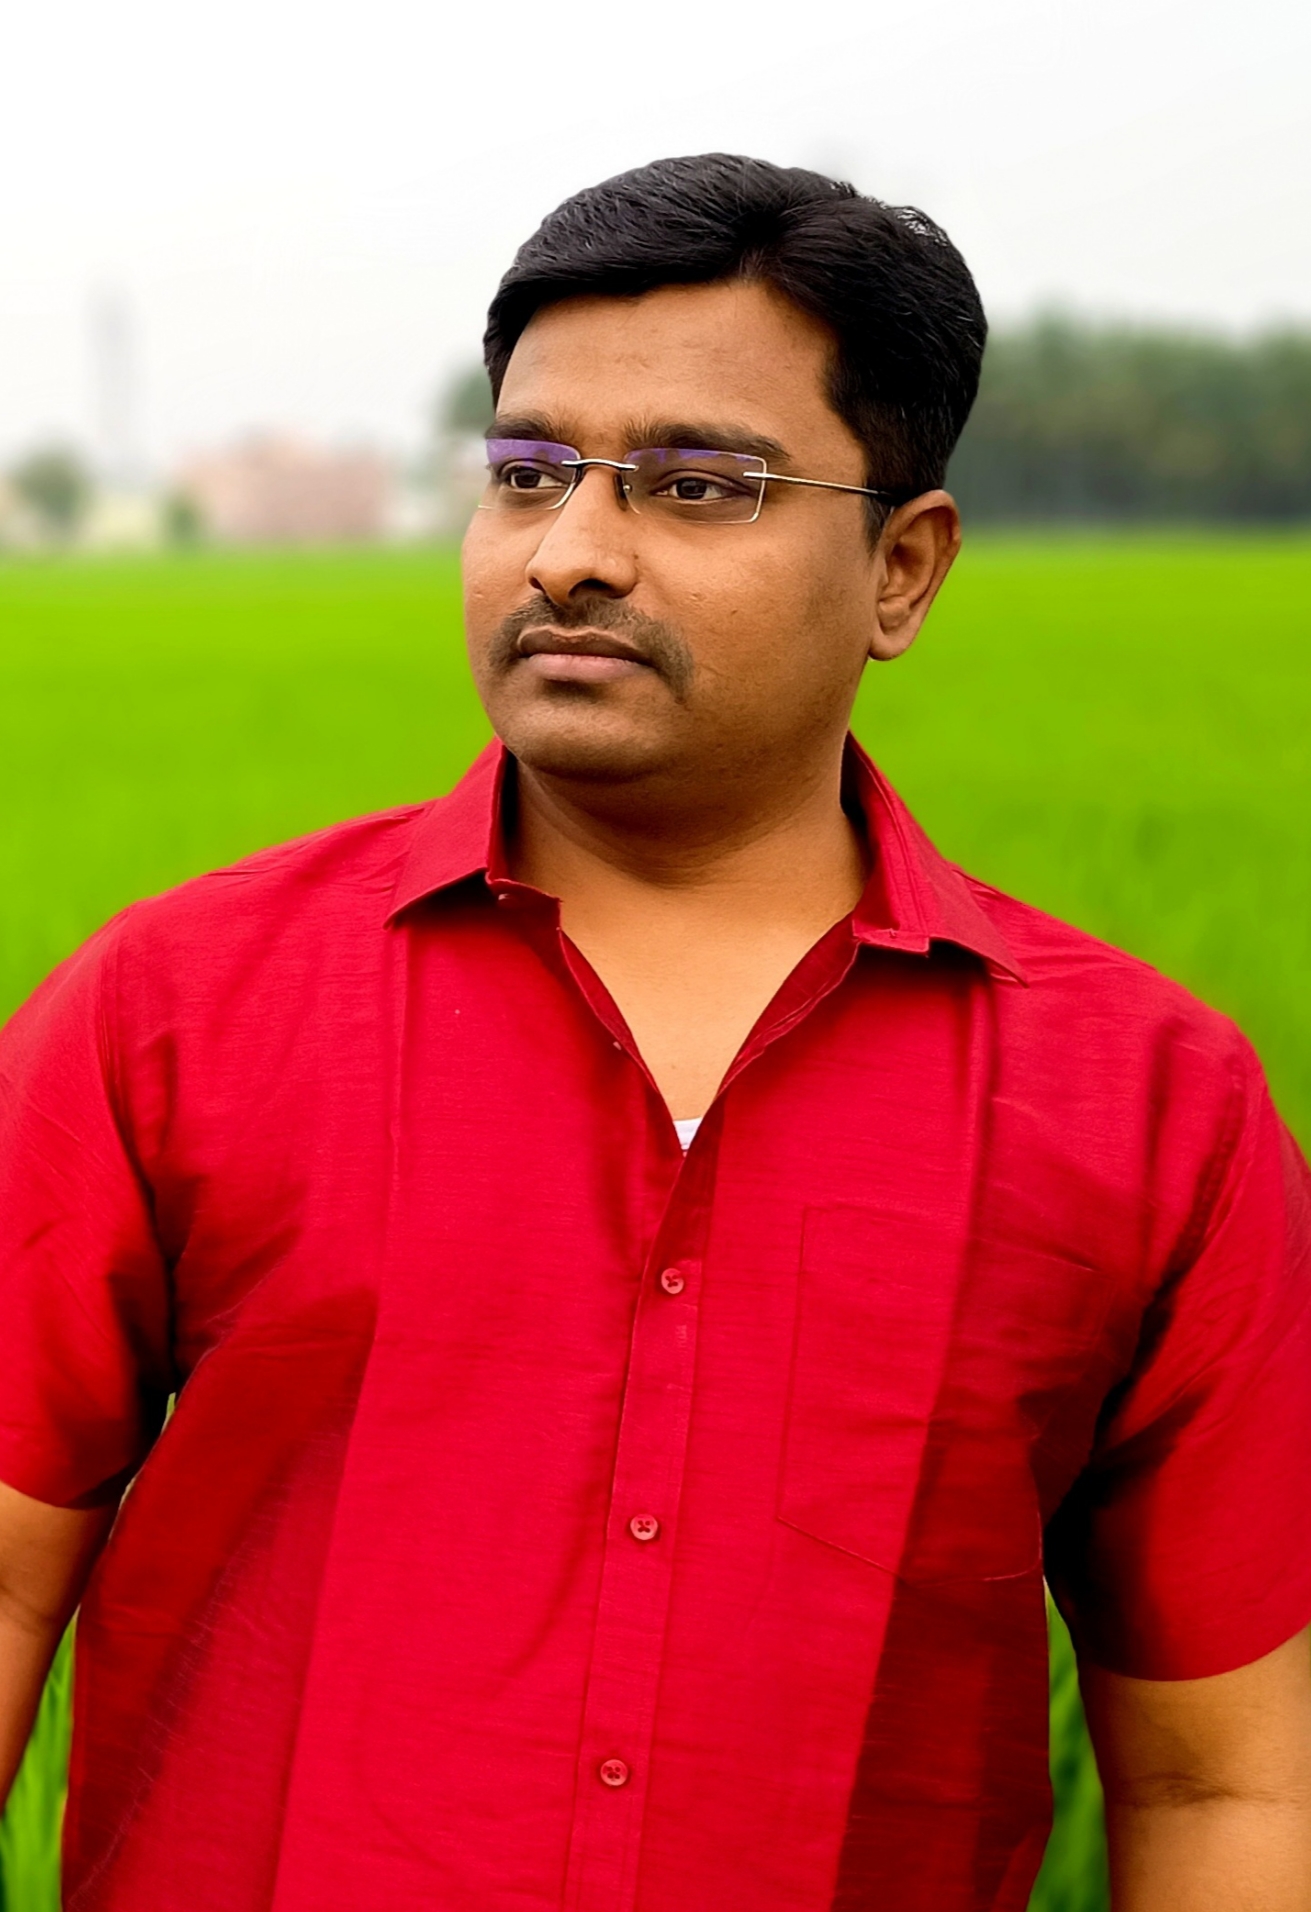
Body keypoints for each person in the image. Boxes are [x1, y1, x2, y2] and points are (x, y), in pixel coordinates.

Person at [1, 154, 1309, 1912]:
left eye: (697, 486)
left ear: (903, 569)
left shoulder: (1152, 1108)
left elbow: (1226, 1779)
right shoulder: (176, 1010)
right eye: (526, 474)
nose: (572, 554)